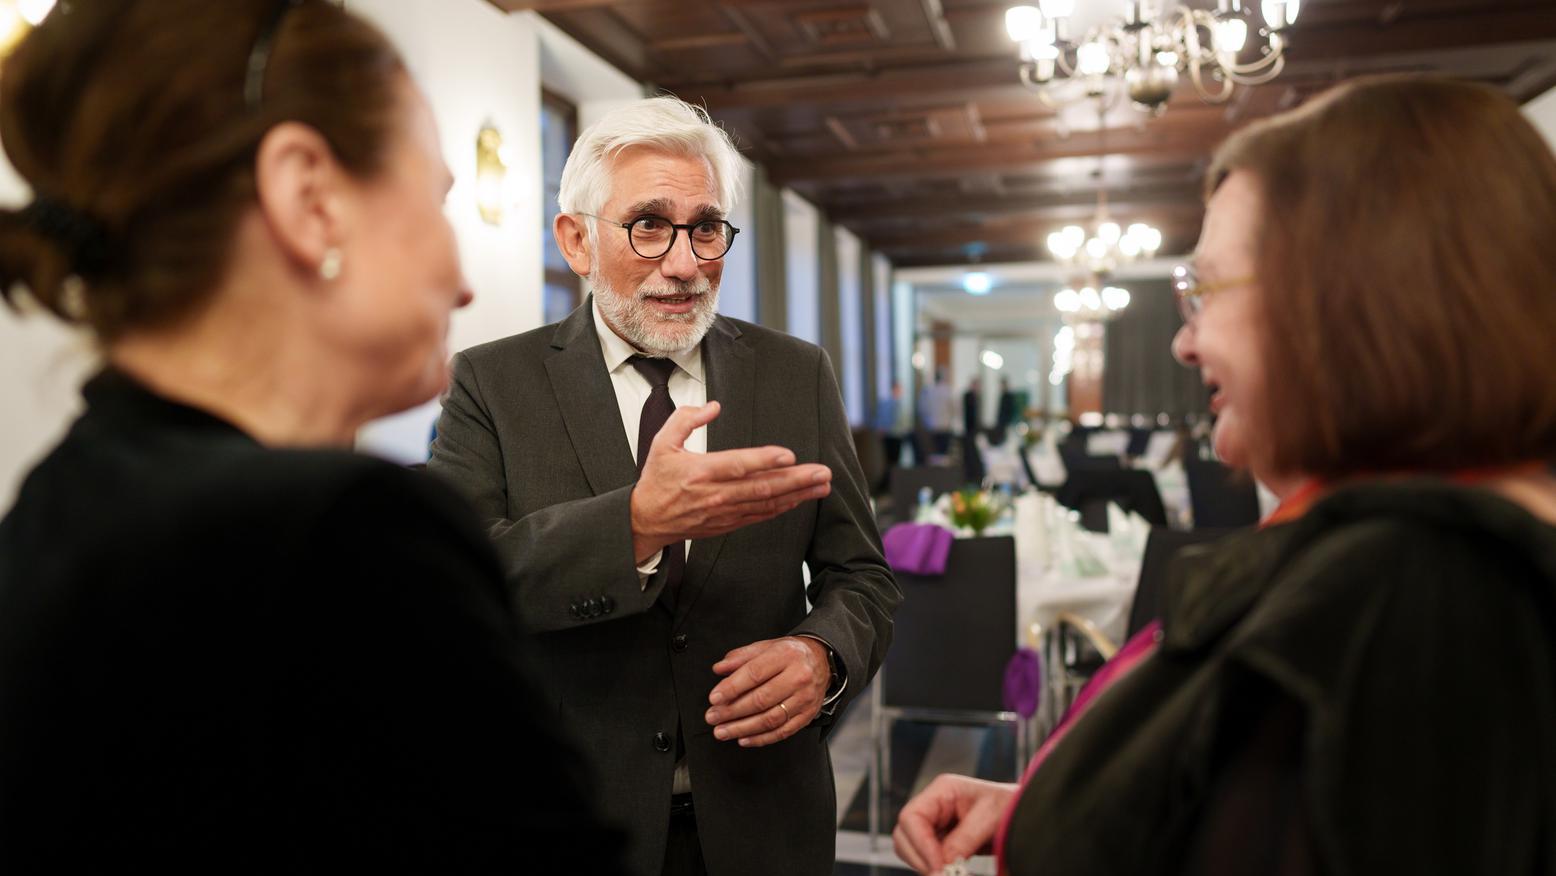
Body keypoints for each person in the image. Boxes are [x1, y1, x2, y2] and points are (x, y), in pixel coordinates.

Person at [0, 1, 624, 871]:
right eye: (438, 201)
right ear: (311, 200)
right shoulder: (344, 537)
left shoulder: (58, 500)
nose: (462, 284)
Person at [894, 75, 1556, 875]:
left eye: (1205, 290)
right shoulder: (1405, 562)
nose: (1184, 343)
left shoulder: (1419, 601)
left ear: (1351, 300)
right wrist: (1046, 806)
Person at [427, 96, 899, 876]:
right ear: (576, 241)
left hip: (766, 820)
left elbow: (864, 577)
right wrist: (634, 525)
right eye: (648, 224)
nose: (683, 263)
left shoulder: (794, 374)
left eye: (705, 228)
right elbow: (462, 585)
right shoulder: (492, 383)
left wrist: (823, 656)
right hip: (571, 817)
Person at [919, 366, 957, 458]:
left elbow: (922, 409)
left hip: (932, 426)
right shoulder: (947, 390)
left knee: (934, 454)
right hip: (944, 426)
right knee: (943, 455)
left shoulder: (928, 391)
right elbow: (953, 408)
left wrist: (926, 421)